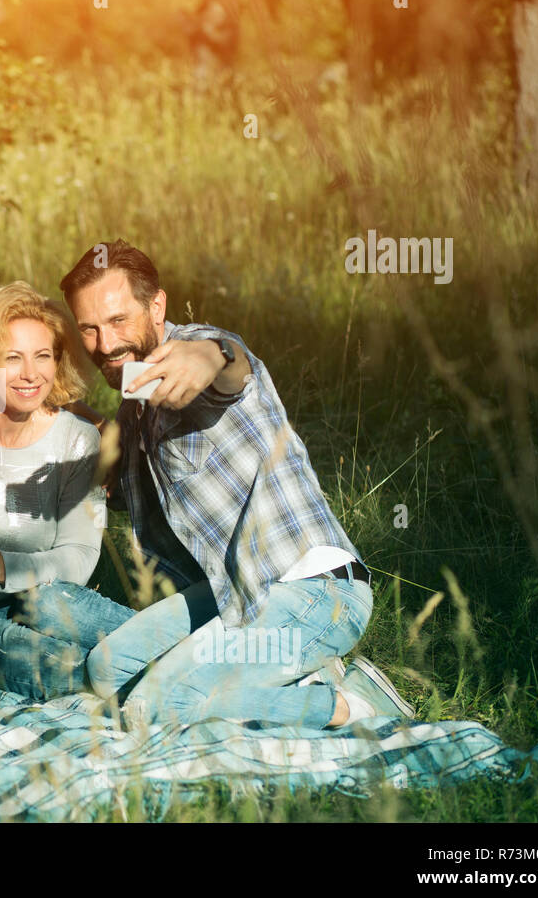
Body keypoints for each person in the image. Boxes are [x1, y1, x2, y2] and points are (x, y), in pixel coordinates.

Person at [60, 240, 415, 730]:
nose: (104, 342)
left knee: (155, 706)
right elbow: (125, 482)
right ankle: (296, 676)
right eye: (89, 328)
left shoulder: (198, 348)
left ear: (156, 306)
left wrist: (214, 354)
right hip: (233, 596)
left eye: (118, 320)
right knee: (104, 671)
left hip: (312, 592)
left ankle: (350, 704)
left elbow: (234, 368)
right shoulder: (135, 408)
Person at [0, 281, 134, 700]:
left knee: (48, 604)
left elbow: (81, 558)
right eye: (12, 358)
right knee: (72, 670)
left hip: (49, 596)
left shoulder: (78, 440)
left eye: (43, 356)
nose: (31, 374)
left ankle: (187, 657)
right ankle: (146, 685)